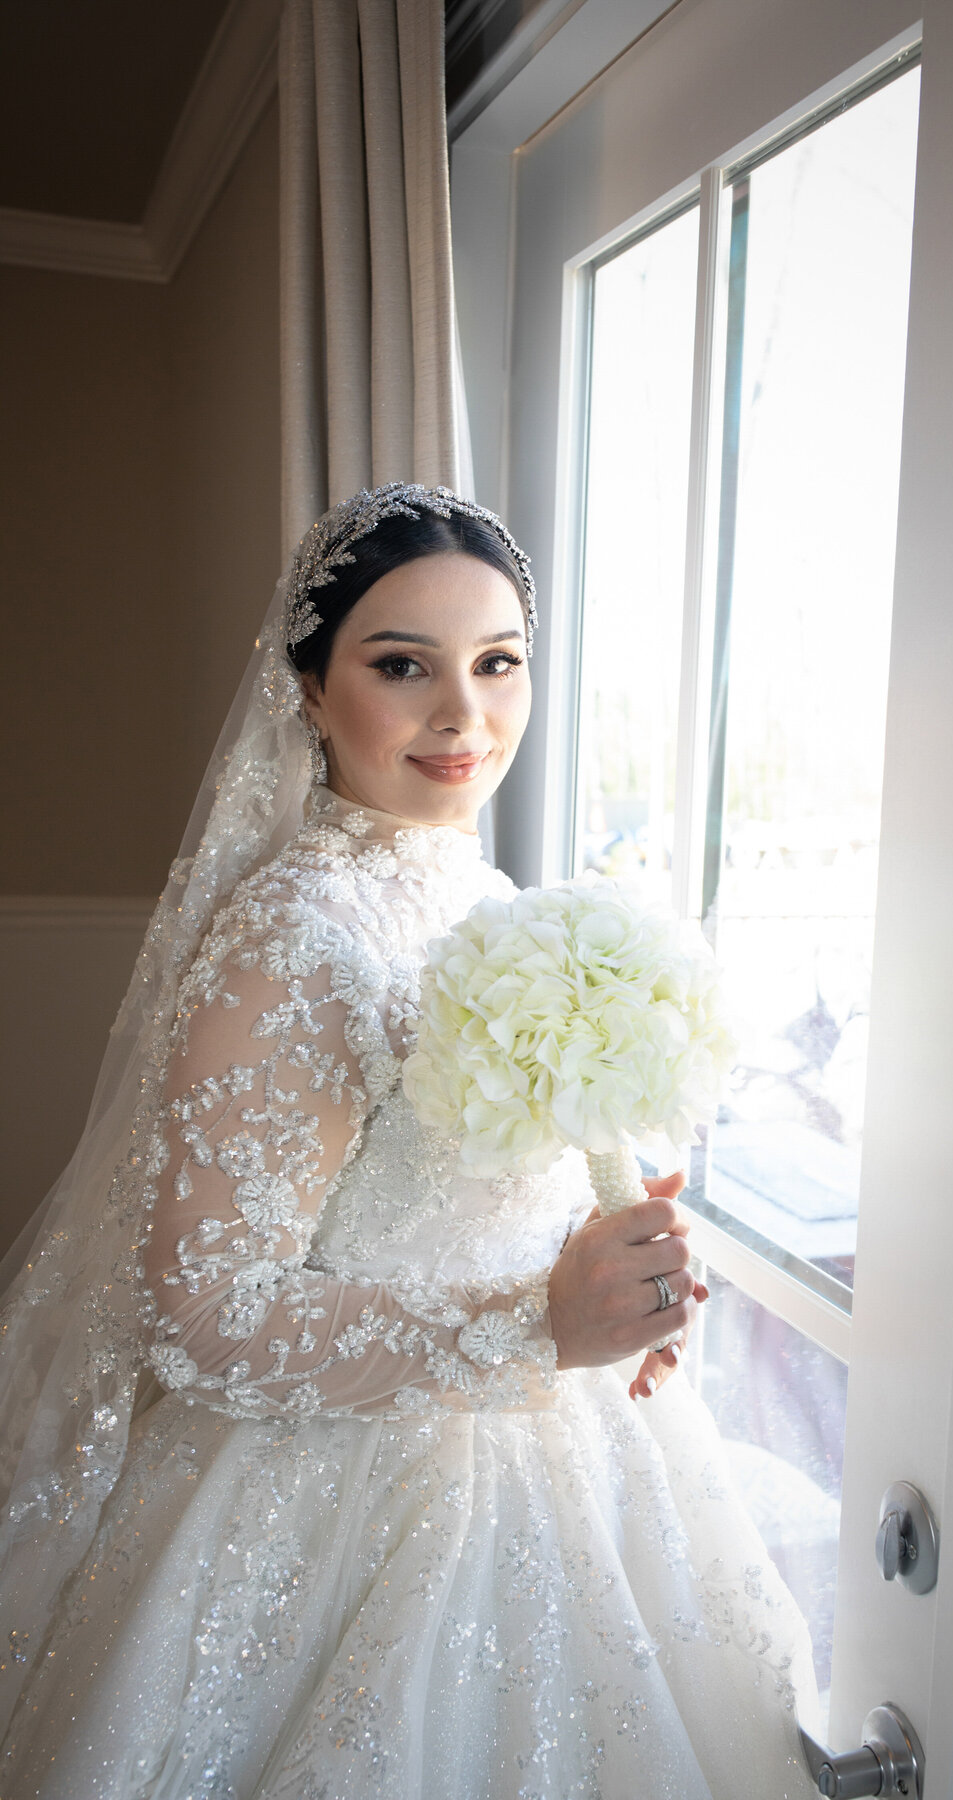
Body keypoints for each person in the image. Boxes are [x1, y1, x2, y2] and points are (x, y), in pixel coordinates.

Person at [0, 485, 817, 1797]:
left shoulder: (479, 891)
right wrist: (530, 1325)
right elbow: (198, 1318)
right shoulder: (294, 938)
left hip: (558, 1460)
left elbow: (461, 1187)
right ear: (311, 693)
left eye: (500, 665)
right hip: (345, 1512)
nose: (465, 716)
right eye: (403, 667)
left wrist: (603, 1264)